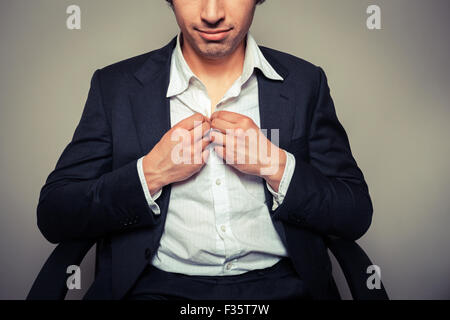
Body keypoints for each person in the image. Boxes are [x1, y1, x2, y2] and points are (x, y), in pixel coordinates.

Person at [37, 0, 373, 300]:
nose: (212, 14)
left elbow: (354, 212)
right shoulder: (115, 88)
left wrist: (276, 166)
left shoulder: (305, 83)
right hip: (156, 287)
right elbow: (56, 214)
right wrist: (150, 174)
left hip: (283, 286)